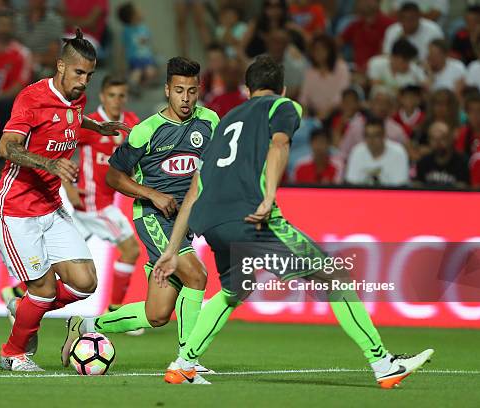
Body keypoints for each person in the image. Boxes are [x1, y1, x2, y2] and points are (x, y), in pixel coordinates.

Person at [151, 55, 432, 386]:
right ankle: (384, 364)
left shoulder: (224, 121)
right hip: (249, 216)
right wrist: (269, 197)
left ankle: (184, 364)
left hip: (210, 223)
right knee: (336, 278)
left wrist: (172, 249)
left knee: (235, 289)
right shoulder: (281, 106)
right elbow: (280, 144)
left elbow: (196, 187)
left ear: (247, 88)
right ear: (282, 88)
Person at [63, 57, 220, 374]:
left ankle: (86, 322)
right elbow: (114, 177)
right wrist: (153, 194)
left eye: (191, 91)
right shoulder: (145, 131)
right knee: (197, 275)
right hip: (152, 218)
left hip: (185, 222)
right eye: (179, 91)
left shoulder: (211, 122)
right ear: (167, 90)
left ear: (199, 89)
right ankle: (188, 359)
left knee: (157, 314)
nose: (185, 99)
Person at [0, 30, 130, 372]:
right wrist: (49, 163)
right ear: (60, 67)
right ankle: (13, 353)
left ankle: (23, 310)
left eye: (90, 75)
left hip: (51, 207)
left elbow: (71, 120)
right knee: (44, 287)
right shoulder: (31, 98)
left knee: (85, 284)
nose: (84, 82)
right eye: (79, 73)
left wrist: (98, 128)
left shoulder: (76, 98)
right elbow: (6, 147)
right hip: (17, 208)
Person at [62, 75, 141, 320]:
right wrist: (68, 187)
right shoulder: (92, 123)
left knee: (61, 258)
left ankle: (17, 292)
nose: (116, 101)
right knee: (130, 249)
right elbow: (60, 150)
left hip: (101, 203)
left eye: (121, 96)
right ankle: (115, 312)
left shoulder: (130, 122)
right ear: (102, 96)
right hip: (93, 204)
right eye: (111, 95)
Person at [345, 116, 410, 186]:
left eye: (376, 136)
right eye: (368, 136)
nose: (371, 140)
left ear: (384, 135)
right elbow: (352, 185)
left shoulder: (398, 153)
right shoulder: (357, 151)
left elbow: (400, 187)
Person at [299, 33, 351, 120]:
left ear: (330, 50)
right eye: (315, 50)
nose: (318, 53)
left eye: (321, 49)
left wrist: (328, 111)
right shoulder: (309, 72)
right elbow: (304, 97)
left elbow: (342, 93)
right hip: (314, 114)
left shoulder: (341, 68)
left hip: (337, 112)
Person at [339, 0, 394, 72]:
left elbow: (388, 53)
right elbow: (337, 42)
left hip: (379, 71)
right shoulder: (356, 24)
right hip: (356, 70)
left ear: (378, 2)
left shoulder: (390, 25)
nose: (365, 2)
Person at [414, 121, 469, 188]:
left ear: (450, 139)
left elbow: (463, 189)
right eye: (434, 139)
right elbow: (417, 188)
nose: (438, 143)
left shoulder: (462, 162)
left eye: (442, 138)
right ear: (429, 141)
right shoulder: (423, 162)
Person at [117, 2, 157, 90]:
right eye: (137, 12)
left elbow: (149, 43)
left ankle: (143, 85)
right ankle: (133, 85)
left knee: (150, 72)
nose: (140, 13)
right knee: (137, 72)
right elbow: (123, 48)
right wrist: (121, 65)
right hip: (135, 58)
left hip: (147, 57)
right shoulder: (127, 31)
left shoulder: (144, 28)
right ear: (132, 17)